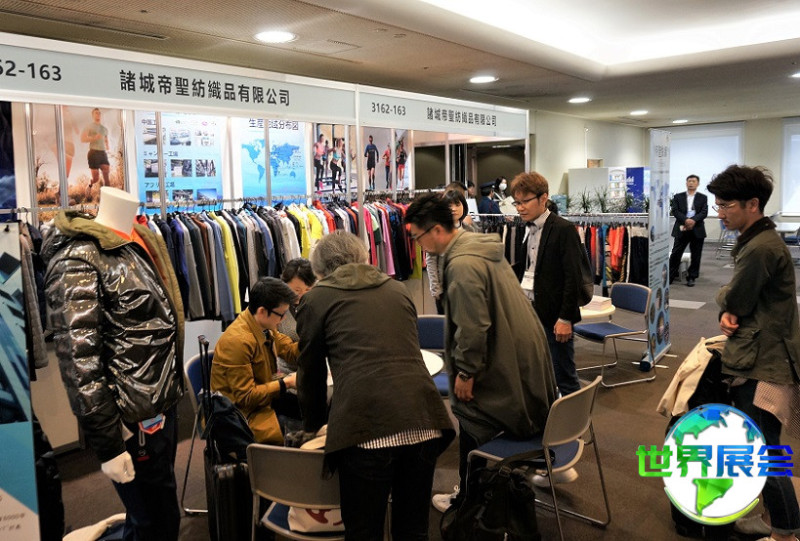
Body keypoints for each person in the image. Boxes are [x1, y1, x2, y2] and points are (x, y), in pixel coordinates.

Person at [43, 187, 184, 541]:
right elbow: (80, 365)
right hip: (130, 420)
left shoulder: (142, 240)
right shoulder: (78, 259)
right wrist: (108, 444)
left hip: (159, 406)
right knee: (155, 522)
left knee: (159, 513)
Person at [296, 231, 455, 541]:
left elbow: (310, 371)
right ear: (363, 256)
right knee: (413, 530)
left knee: (364, 531)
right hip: (423, 418)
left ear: (320, 269)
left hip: (366, 426)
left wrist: (314, 425)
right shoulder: (396, 289)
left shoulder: (316, 299)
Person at [404, 194, 557, 513]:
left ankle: (469, 499)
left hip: (504, 358)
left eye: (418, 237)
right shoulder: (478, 248)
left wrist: (466, 372)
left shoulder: (462, 264)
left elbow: (473, 326)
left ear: (436, 230)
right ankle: (478, 489)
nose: (419, 245)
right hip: (519, 352)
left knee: (468, 415)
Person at [708, 165, 800, 541]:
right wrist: (730, 308)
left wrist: (725, 301)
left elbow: (737, 297)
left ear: (753, 204)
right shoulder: (758, 239)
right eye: (718, 204)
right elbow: (742, 302)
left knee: (764, 452)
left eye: (726, 205)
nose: (720, 212)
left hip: (765, 363)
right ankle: (773, 519)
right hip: (764, 352)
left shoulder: (760, 248)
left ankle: (785, 532)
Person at [211, 277, 301, 444]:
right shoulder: (238, 341)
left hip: (262, 400)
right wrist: (286, 383)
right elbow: (246, 397)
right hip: (242, 415)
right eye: (281, 314)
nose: (283, 319)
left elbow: (289, 350)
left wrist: (314, 341)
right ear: (262, 311)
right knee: (303, 428)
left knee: (312, 408)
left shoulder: (262, 326)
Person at [426, 190, 475, 314]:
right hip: (445, 290)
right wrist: (436, 289)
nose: (453, 209)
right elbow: (431, 261)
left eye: (457, 204)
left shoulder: (470, 230)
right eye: (449, 205)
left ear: (464, 206)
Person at [276, 257, 316, 372]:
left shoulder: (318, 302)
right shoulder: (276, 306)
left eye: (307, 290)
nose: (302, 295)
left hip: (318, 369)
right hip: (287, 371)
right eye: (297, 290)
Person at [669, 174, 708, 287]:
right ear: (686, 183)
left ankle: (692, 277)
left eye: (693, 181)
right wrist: (686, 220)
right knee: (676, 253)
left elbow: (704, 212)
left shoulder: (703, 197)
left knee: (696, 255)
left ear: (698, 183)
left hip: (697, 228)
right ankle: (670, 276)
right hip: (682, 228)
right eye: (689, 181)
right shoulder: (678, 197)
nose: (691, 183)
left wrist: (693, 220)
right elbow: (675, 211)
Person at [80, 108, 111, 199]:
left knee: (106, 175)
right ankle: (90, 184)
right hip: (93, 153)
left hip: (102, 153)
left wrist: (108, 147)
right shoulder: (89, 126)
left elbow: (106, 140)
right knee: (96, 178)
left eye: (99, 113)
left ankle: (108, 198)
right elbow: (82, 139)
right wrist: (94, 138)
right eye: (96, 113)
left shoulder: (104, 129)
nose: (98, 115)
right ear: (92, 115)